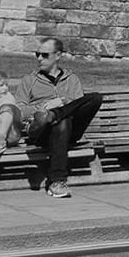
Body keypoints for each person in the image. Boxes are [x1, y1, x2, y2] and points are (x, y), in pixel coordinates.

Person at [17, 37, 103, 197]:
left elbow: (79, 109)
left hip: (71, 131)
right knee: (62, 122)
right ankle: (57, 181)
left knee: (96, 98)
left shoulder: (72, 79)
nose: (39, 58)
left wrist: (62, 102)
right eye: (37, 54)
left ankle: (55, 115)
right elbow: (20, 112)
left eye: (44, 55)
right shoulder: (29, 80)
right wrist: (43, 107)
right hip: (41, 131)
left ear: (57, 55)